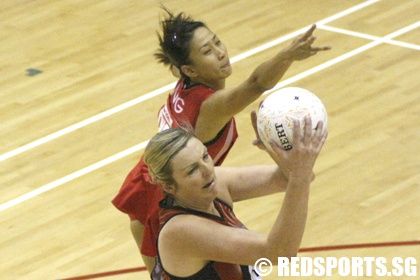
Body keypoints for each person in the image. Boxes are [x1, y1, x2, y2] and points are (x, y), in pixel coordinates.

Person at [112, 7, 331, 272]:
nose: (220, 53)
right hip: (164, 192)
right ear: (190, 69)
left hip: (149, 178)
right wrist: (287, 56)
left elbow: (294, 178)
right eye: (206, 51)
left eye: (216, 41)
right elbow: (255, 84)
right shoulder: (210, 106)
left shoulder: (185, 84)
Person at [145, 118, 327, 280]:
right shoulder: (180, 232)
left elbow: (294, 177)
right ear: (168, 186)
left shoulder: (214, 182)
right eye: (192, 170)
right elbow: (279, 253)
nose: (208, 170)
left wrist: (274, 147)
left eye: (205, 156)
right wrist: (299, 176)